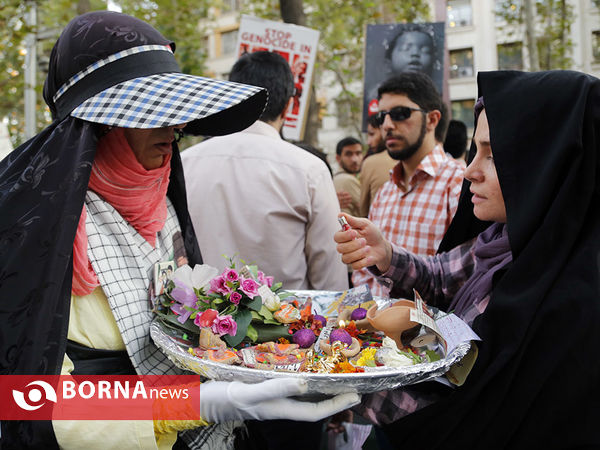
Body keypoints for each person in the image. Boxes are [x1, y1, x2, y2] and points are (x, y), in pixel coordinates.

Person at [0, 12, 358, 449]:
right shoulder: (35, 227)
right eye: (153, 113)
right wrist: (190, 405)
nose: (176, 129)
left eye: (178, 113)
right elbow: (24, 402)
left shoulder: (162, 205)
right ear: (97, 127)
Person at [334, 69, 600, 448]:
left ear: (546, 163)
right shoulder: (501, 239)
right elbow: (444, 275)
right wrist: (387, 254)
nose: (470, 171)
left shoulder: (574, 301)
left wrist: (339, 382)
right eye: (475, 150)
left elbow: (468, 409)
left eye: (493, 156)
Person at [182, 51, 347, 293]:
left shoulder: (185, 163)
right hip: (289, 326)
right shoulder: (309, 170)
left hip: (198, 323)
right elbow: (329, 279)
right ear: (289, 106)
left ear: (232, 98)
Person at [352, 72, 464, 297]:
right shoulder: (386, 191)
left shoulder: (459, 183)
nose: (387, 125)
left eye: (400, 113)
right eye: (382, 116)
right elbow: (364, 270)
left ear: (432, 120)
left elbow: (464, 278)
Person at [359, 115, 398, 217]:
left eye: (372, 134)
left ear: (384, 129)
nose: (368, 142)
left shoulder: (371, 163)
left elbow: (363, 211)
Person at [333, 136, 363, 217]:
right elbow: (366, 210)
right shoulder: (347, 180)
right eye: (348, 154)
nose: (355, 159)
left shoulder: (335, 178)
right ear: (338, 158)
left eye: (358, 153)